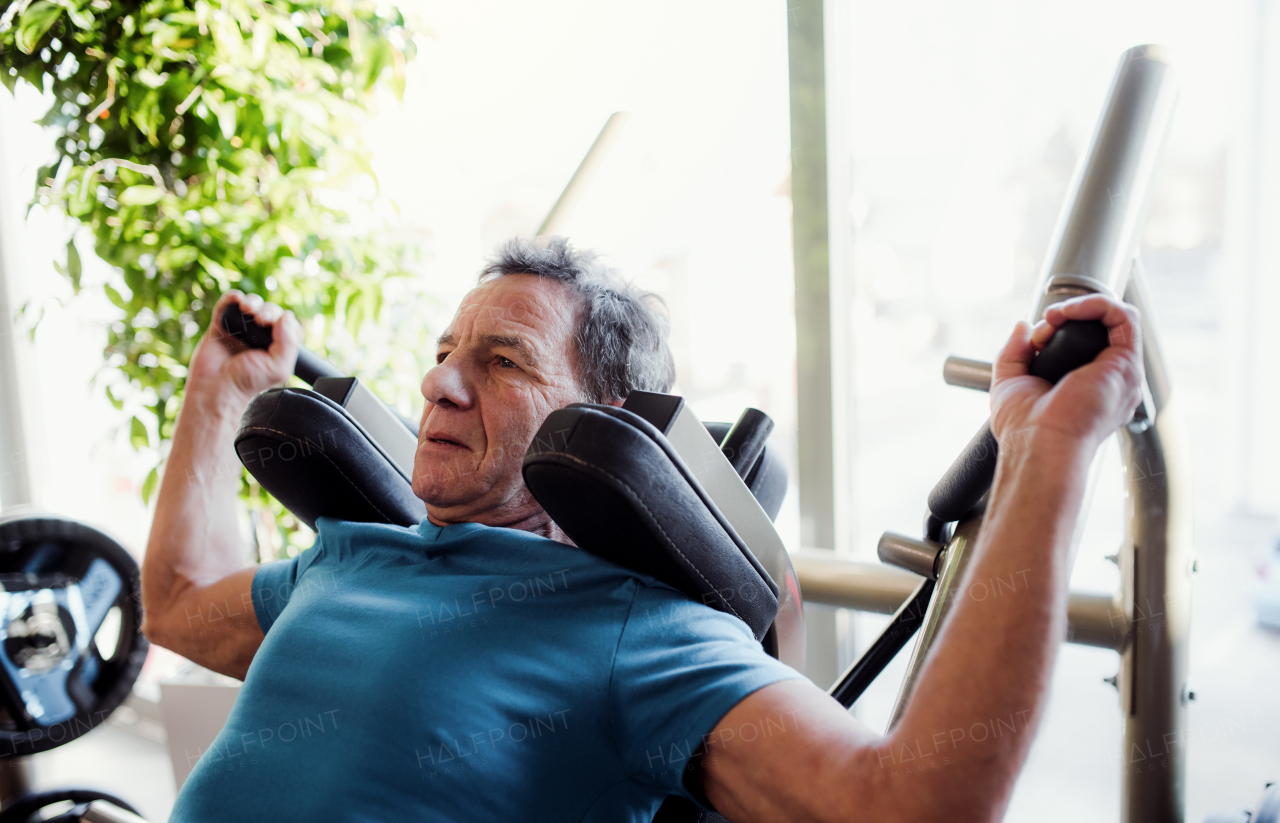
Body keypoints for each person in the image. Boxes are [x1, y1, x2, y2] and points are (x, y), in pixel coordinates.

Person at [142, 237, 1144, 822]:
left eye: (503, 360)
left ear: (601, 419)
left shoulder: (636, 633)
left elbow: (909, 804)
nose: (437, 382)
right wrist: (216, 390)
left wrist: (1045, 449)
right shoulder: (353, 556)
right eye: (446, 349)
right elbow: (180, 601)